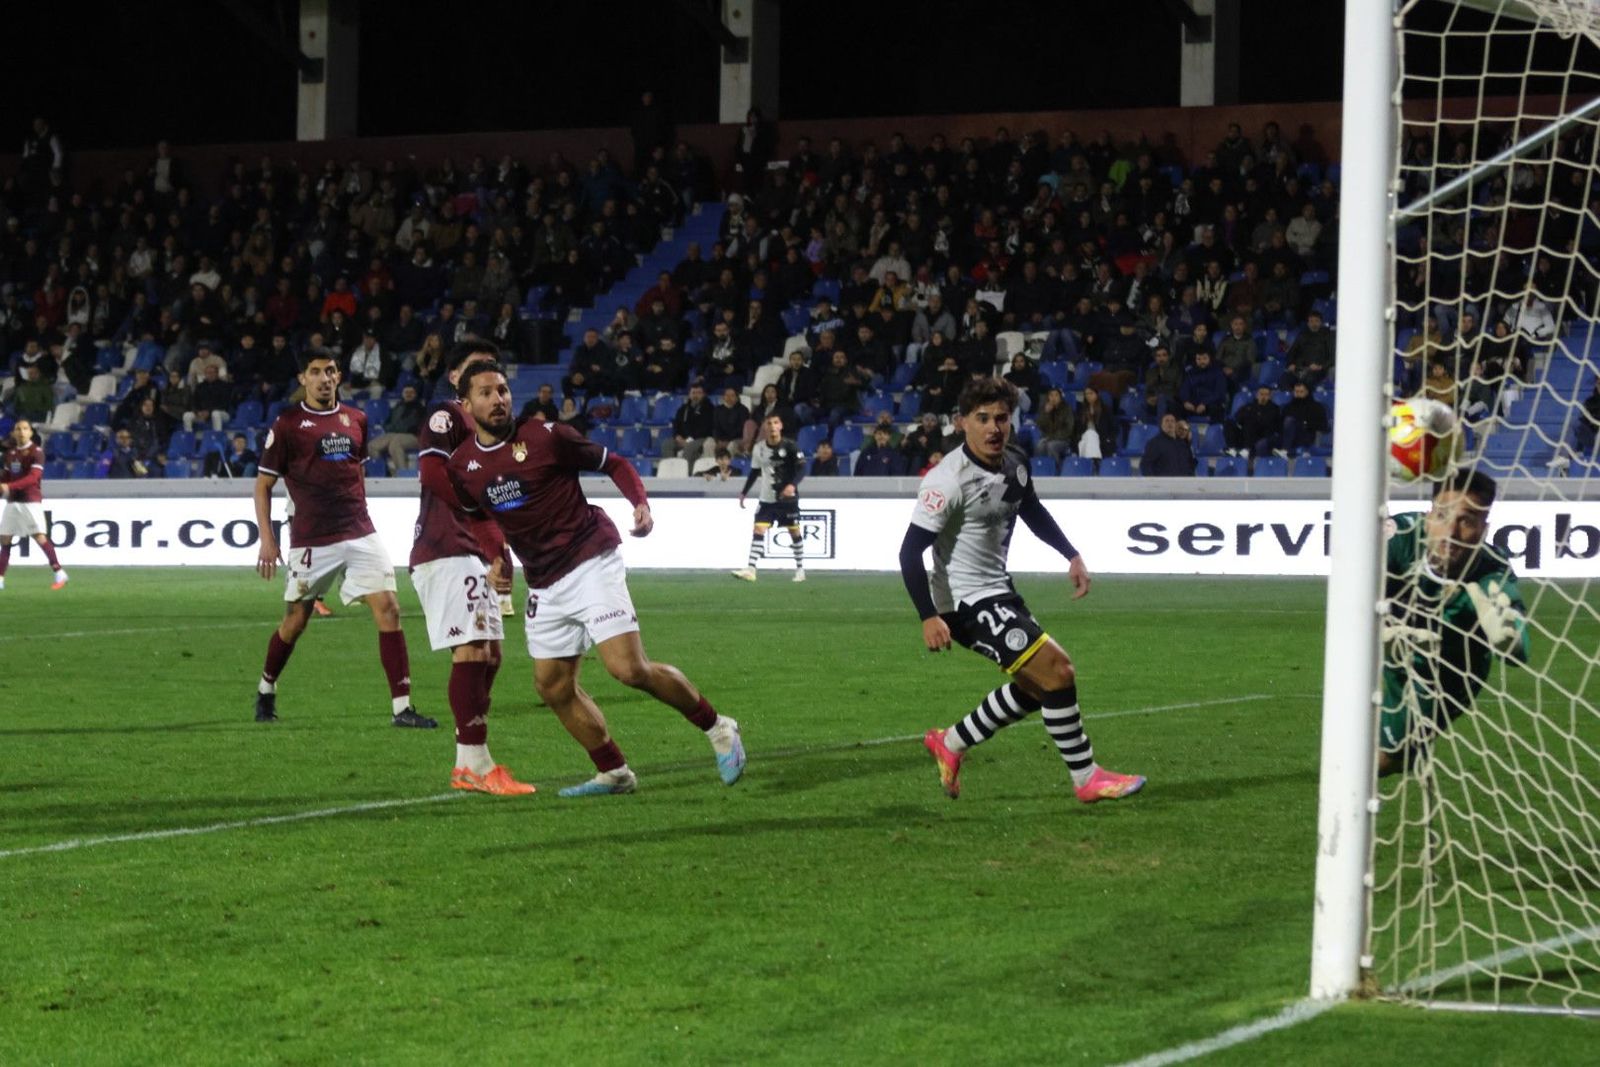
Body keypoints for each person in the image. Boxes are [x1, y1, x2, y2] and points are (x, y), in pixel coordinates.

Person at [448, 361, 745, 795]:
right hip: (544, 581)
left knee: (628, 668)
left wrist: (639, 503)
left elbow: (615, 463)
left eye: (503, 390)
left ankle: (719, 728)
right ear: (466, 404)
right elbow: (479, 518)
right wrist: (498, 556)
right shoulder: (464, 466)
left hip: (589, 559)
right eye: (486, 393)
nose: (499, 400)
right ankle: (614, 771)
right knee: (552, 686)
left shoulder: (546, 436)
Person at [900, 377, 1144, 803]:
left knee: (1037, 687)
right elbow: (909, 553)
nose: (994, 428)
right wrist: (928, 615)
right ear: (962, 423)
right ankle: (1086, 777)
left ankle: (951, 742)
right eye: (982, 419)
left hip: (999, 591)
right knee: (1058, 671)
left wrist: (1071, 555)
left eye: (1001, 418)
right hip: (962, 604)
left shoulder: (1014, 463)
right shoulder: (946, 481)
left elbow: (1031, 509)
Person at [252, 349, 435, 729]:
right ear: (303, 379)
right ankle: (266, 688)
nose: (323, 378)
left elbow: (357, 473)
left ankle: (402, 709)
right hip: (311, 540)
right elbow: (264, 484)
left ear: (339, 377)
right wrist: (267, 540)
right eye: (315, 372)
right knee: (295, 621)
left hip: (358, 531)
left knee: (389, 608)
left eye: (330, 371)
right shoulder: (287, 424)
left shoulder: (357, 419)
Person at [411, 340, 530, 795]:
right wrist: (476, 512)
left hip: (472, 549)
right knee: (474, 652)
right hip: (446, 547)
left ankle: (468, 761)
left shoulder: (494, 432)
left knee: (491, 654)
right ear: (457, 379)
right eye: (473, 370)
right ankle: (477, 766)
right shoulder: (447, 416)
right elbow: (432, 475)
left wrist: (499, 548)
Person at [1378, 470, 1528, 776]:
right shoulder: (1402, 537)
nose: (1451, 530)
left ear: (1483, 530)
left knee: (1383, 760)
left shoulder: (1492, 569)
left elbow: (1517, 640)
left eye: (1467, 520)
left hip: (1448, 671)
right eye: (1443, 515)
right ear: (1430, 514)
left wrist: (1511, 641)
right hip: (1391, 645)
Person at [733, 413, 807, 582]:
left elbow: (802, 469)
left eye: (776, 422)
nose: (772, 426)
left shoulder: (790, 446)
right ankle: (751, 569)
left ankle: (800, 569)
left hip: (788, 499)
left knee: (794, 531)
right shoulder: (758, 448)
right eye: (769, 423)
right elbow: (754, 471)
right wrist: (744, 492)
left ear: (780, 426)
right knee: (758, 529)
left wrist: (792, 485)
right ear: (765, 427)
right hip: (766, 498)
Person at [0, 420, 68, 590]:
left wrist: (9, 487)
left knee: (39, 536)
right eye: (18, 429)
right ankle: (0, 578)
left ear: (30, 433)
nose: (21, 431)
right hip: (13, 501)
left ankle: (59, 571)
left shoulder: (37, 452)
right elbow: (7, 476)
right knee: (5, 538)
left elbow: (33, 478)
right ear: (14, 433)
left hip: (30, 501)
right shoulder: (10, 454)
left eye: (25, 428)